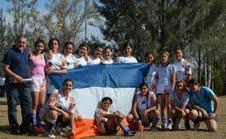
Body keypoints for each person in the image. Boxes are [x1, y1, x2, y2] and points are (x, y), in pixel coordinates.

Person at [2, 35, 33, 134]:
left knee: (27, 105)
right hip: (12, 85)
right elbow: (5, 68)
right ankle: (14, 128)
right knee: (12, 107)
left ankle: (25, 128)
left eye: (24, 42)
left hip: (25, 84)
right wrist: (16, 77)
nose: (22, 44)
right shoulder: (9, 53)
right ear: (16, 42)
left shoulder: (27, 53)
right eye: (20, 42)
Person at [154, 51, 176, 129]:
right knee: (162, 107)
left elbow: (173, 79)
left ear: (167, 57)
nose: (163, 58)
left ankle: (169, 122)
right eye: (162, 56)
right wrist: (156, 84)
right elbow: (156, 76)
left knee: (168, 106)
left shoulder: (171, 66)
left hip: (168, 88)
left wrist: (172, 89)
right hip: (160, 89)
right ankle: (164, 122)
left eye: (165, 56)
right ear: (160, 58)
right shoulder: (158, 67)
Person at [29, 39, 46, 132]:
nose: (40, 48)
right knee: (35, 104)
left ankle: (39, 123)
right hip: (34, 79)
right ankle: (34, 124)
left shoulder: (44, 56)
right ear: (35, 46)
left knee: (41, 104)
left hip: (42, 80)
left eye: (41, 46)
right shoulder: (30, 55)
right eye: (38, 46)